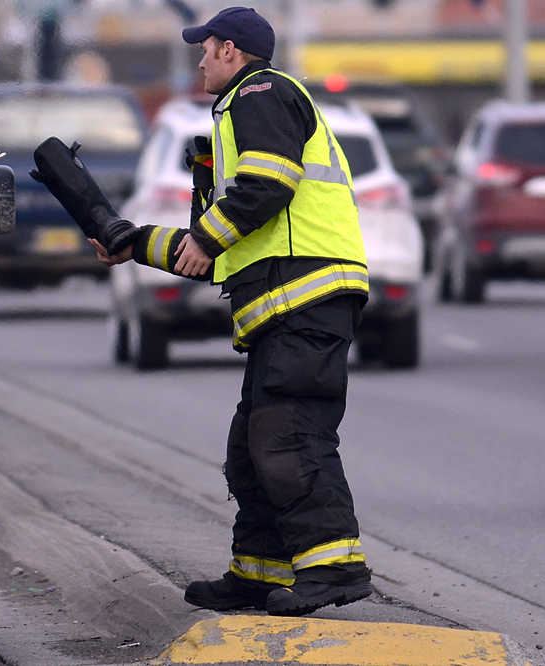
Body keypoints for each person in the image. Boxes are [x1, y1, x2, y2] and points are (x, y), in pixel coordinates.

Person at [82, 6, 372, 616]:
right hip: (287, 301)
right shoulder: (239, 115)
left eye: (206, 48)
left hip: (308, 294)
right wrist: (131, 241)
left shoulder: (261, 92)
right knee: (252, 445)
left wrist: (207, 237)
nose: (200, 59)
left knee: (289, 435)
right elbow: (208, 253)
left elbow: (267, 185)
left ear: (232, 52)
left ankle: (336, 568)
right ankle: (257, 571)